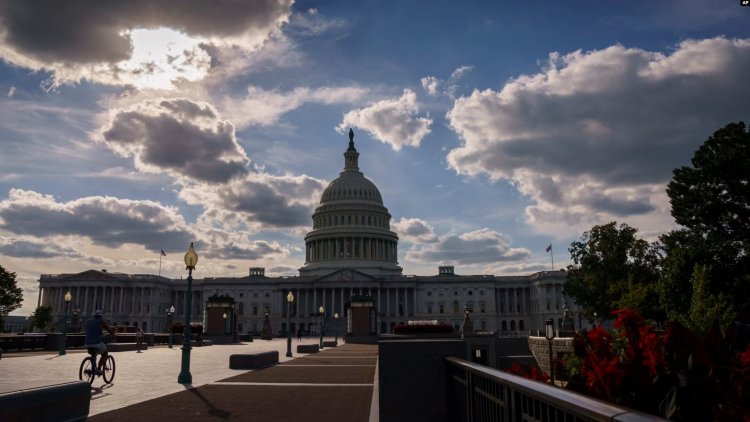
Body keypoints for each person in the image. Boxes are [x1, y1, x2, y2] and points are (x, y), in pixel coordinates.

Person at [84, 310, 115, 375]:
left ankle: (92, 368)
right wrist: (113, 334)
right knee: (105, 354)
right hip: (97, 342)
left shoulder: (88, 322)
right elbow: (108, 329)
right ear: (101, 316)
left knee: (93, 354)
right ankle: (98, 368)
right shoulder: (101, 322)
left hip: (87, 343)